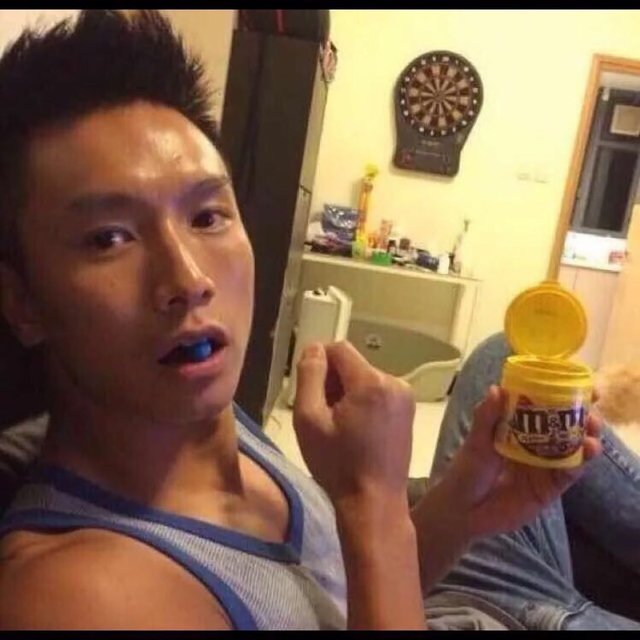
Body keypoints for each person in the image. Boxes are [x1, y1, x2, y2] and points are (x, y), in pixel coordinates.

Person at [0, 10, 611, 630]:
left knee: (501, 352)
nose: (188, 279)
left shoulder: (212, 424)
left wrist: (462, 506)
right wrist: (373, 502)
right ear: (21, 300)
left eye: (207, 216)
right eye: (108, 238)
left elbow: (340, 603)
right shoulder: (76, 595)